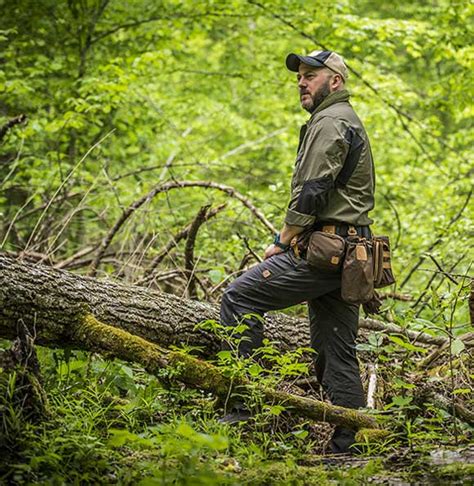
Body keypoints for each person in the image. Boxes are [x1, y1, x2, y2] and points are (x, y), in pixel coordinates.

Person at [220, 50, 375, 453]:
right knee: (336, 348)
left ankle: (241, 407)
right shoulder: (341, 119)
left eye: (311, 76)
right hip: (348, 254)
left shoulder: (330, 121)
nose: (302, 83)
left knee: (238, 299)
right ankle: (347, 444)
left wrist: (281, 240)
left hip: (326, 250)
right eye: (299, 77)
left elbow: (312, 189)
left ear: (335, 81)